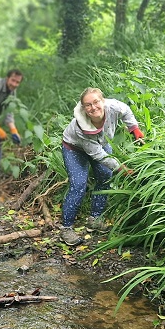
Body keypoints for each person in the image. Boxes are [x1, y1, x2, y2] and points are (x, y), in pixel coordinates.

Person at [59, 87, 144, 245]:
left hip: (101, 143)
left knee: (105, 176)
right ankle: (66, 228)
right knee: (78, 184)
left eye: (96, 102)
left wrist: (134, 129)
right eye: (88, 105)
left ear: (102, 101)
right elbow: (98, 154)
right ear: (84, 108)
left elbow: (126, 111)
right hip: (75, 148)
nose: (93, 107)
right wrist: (120, 168)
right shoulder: (80, 126)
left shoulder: (113, 107)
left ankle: (95, 219)